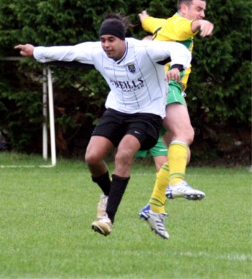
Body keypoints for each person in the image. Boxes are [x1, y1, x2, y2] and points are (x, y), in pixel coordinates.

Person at [15, 13, 192, 237]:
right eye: (103, 40)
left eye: (111, 40)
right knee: (92, 157)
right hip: (117, 111)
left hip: (147, 115)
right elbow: (67, 52)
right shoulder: (97, 52)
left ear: (123, 39)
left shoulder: (143, 50)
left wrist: (176, 65)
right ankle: (110, 193)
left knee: (123, 154)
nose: (106, 45)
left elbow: (179, 49)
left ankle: (108, 218)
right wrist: (35, 51)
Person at [138, 0, 214, 238]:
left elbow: (150, 23)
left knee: (180, 152)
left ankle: (155, 207)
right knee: (185, 133)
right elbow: (191, 25)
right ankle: (176, 184)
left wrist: (144, 17)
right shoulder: (181, 24)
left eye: (204, 11)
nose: (202, 14)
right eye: (198, 9)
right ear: (184, 8)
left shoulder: (163, 23)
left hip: (150, 90)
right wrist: (202, 24)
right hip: (167, 85)